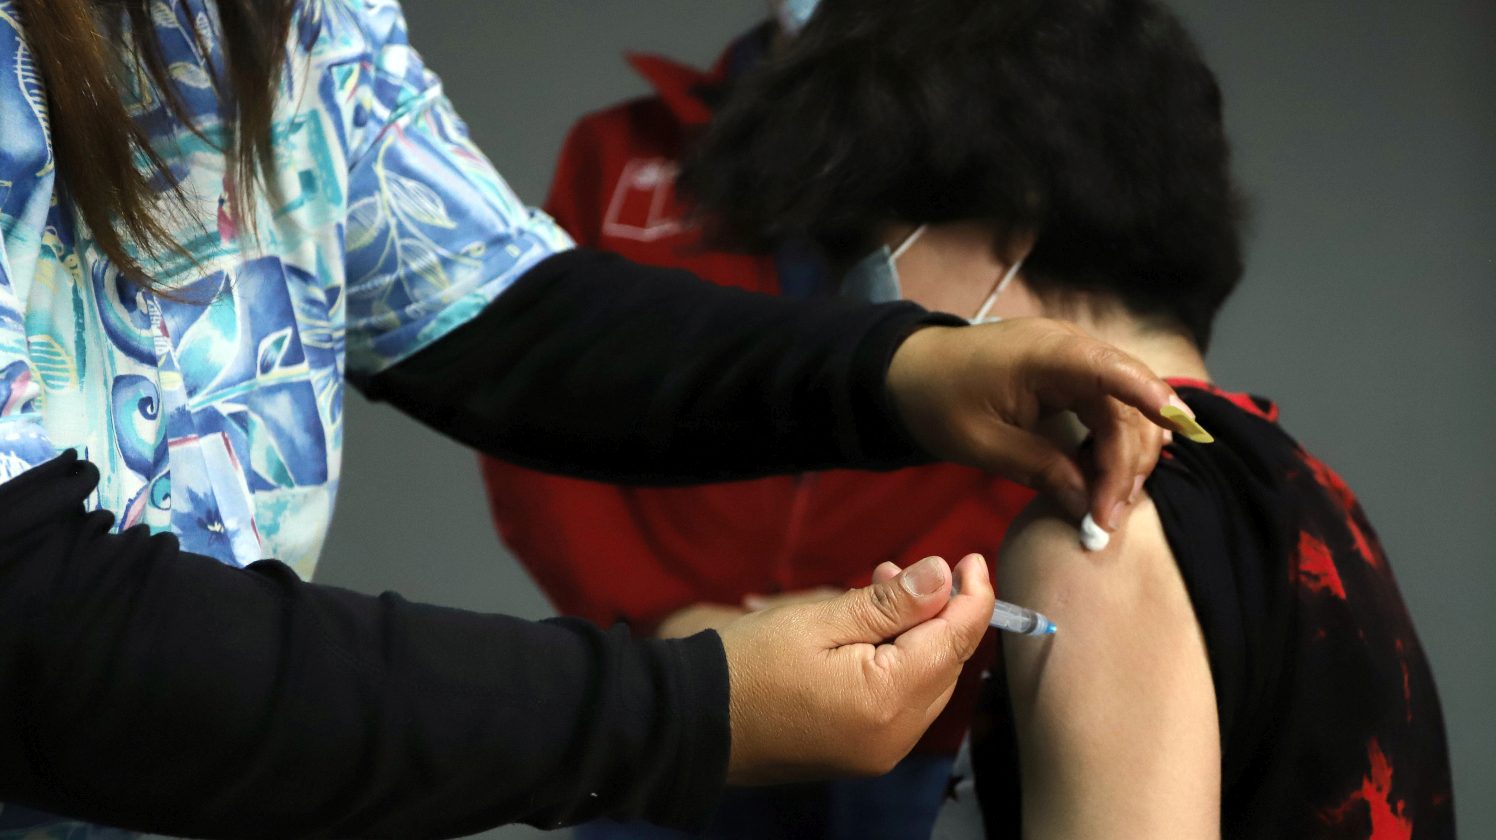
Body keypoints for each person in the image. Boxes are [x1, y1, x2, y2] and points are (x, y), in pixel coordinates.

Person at [0, 0, 1194, 837]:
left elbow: (502, 313)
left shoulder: (298, 23)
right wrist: (682, 702)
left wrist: (897, 369)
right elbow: (37, 632)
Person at [677, 0, 1458, 837]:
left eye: (862, 249)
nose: (849, 304)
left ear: (1010, 228)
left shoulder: (1095, 540)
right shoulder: (1314, 499)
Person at [477, 5, 1031, 838]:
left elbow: (1027, 413)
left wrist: (891, 607)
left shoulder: (1009, 157)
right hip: (680, 692)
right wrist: (664, 619)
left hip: (919, 701)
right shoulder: (619, 154)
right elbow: (528, 410)